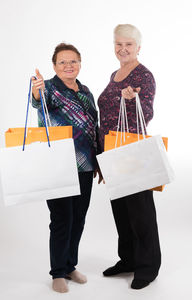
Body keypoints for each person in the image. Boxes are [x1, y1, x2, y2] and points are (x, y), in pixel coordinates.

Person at [32, 43, 102, 293]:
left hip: (84, 166)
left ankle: (70, 265)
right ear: (54, 66)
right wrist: (37, 92)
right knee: (62, 219)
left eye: (73, 61)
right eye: (62, 62)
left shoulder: (85, 91)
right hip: (57, 165)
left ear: (80, 64)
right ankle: (58, 272)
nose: (68, 65)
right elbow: (38, 104)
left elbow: (94, 128)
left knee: (78, 219)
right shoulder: (48, 88)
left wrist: (98, 161)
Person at [97, 24, 161, 290]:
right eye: (118, 44)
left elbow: (146, 113)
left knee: (141, 212)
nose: (122, 49)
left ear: (138, 48)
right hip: (110, 151)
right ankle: (129, 259)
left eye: (129, 45)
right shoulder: (115, 74)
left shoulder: (143, 76)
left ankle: (148, 267)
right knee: (121, 212)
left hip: (132, 153)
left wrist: (132, 98)